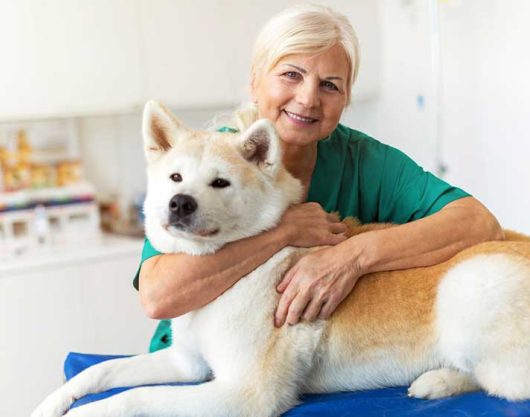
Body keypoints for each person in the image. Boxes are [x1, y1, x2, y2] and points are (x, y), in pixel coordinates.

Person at [134, 4, 503, 351]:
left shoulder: (365, 162)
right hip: (200, 361)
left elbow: (477, 223)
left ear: (345, 98)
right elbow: (158, 297)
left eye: (330, 85)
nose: (309, 99)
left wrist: (350, 257)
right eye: (291, 75)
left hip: (310, 363)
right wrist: (282, 234)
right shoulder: (207, 160)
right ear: (255, 82)